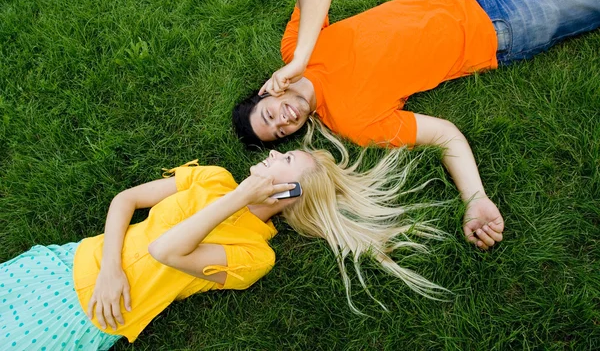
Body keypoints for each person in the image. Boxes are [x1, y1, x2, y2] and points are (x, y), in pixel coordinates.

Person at [232, 0, 600, 250]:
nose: (283, 123)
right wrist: (475, 198)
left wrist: (300, 60)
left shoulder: (297, 50)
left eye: (269, 116)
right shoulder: (353, 124)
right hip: (499, 30)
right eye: (279, 134)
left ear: (268, 91)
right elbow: (445, 136)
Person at [1, 145, 445, 350]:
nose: (272, 157)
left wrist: (241, 199)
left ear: (289, 194)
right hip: (68, 264)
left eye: (283, 162)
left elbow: (165, 252)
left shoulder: (256, 258)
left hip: (92, 315)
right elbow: (127, 200)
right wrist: (110, 269)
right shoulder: (212, 177)